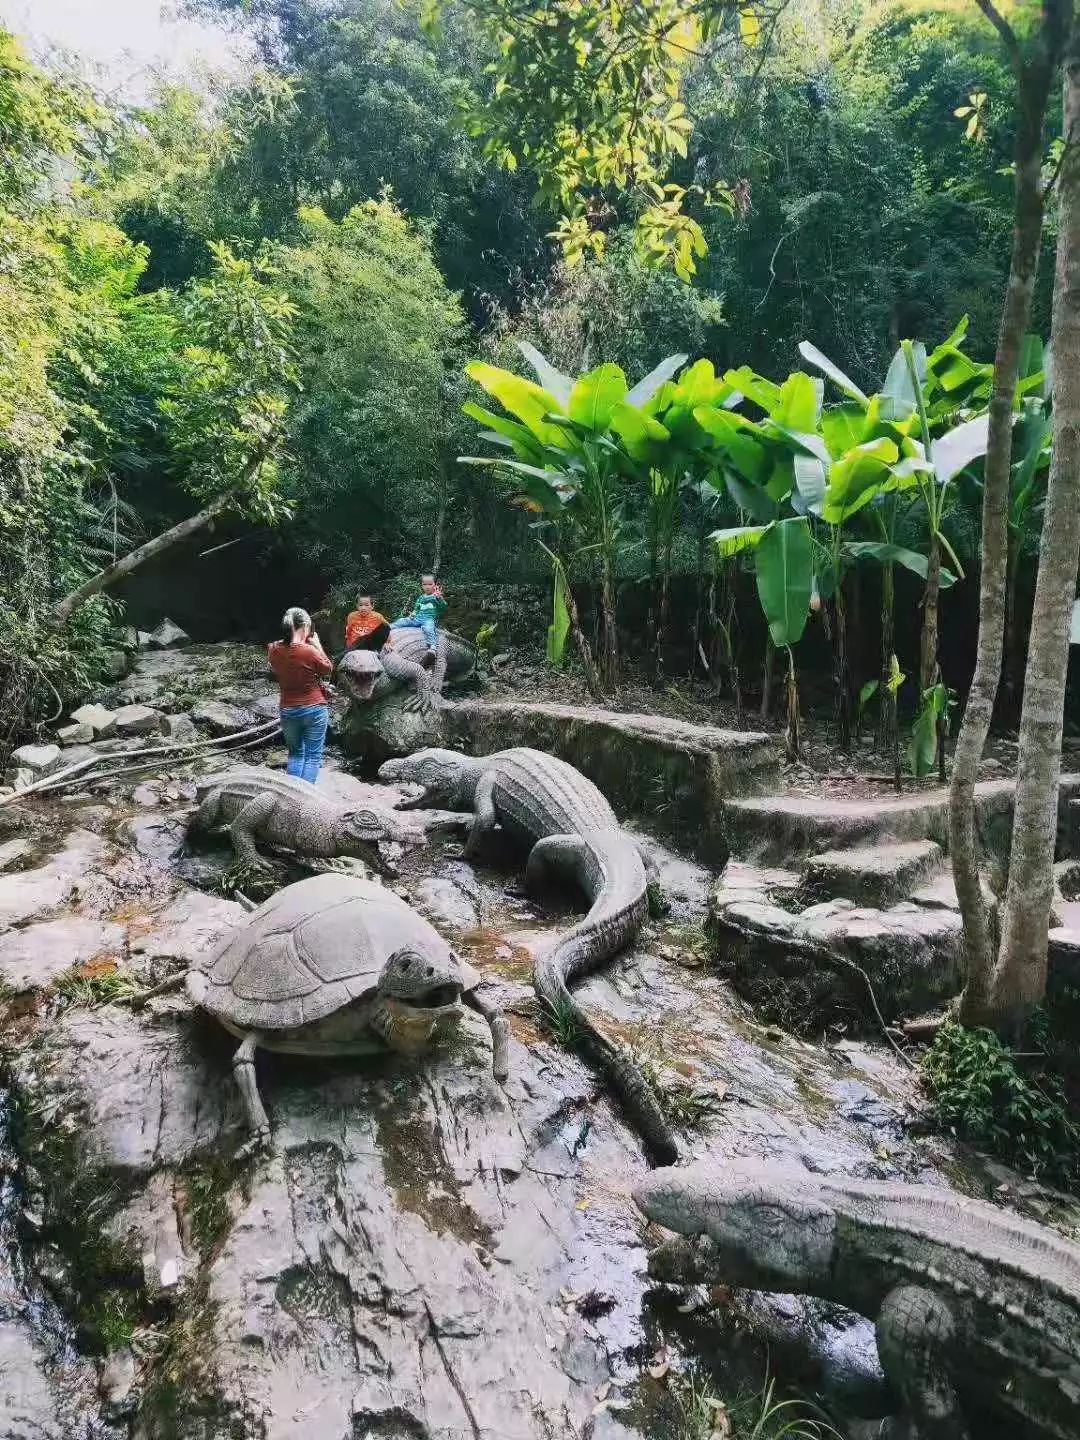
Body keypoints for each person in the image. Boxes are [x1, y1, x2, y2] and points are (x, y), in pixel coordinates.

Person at [268, 607, 332, 784]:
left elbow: (277, 667)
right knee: (313, 757)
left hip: (288, 709)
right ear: (304, 627)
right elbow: (327, 668)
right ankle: (305, 800)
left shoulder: (273, 649)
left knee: (295, 754)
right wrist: (318, 646)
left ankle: (291, 795)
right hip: (314, 709)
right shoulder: (309, 651)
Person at [386, 573, 446, 669]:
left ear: (435, 585)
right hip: (417, 618)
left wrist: (440, 598)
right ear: (422, 585)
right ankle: (387, 628)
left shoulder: (436, 597)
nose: (427, 586)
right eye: (425, 584)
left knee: (429, 629)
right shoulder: (421, 597)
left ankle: (433, 648)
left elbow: (443, 608)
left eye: (430, 584)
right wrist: (413, 613)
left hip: (428, 619)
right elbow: (417, 608)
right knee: (402, 621)